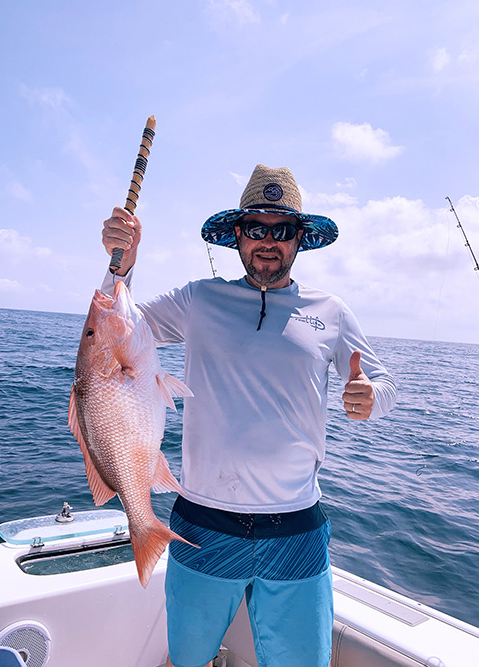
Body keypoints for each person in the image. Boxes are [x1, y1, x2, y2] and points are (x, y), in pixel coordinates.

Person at [101, 164, 397, 667]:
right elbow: (113, 332)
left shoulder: (331, 310)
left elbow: (383, 382)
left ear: (300, 239)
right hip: (202, 523)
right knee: (187, 660)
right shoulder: (198, 299)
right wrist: (120, 266)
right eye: (255, 228)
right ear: (236, 235)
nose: (268, 241)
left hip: (297, 529)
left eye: (282, 230)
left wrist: (371, 394)